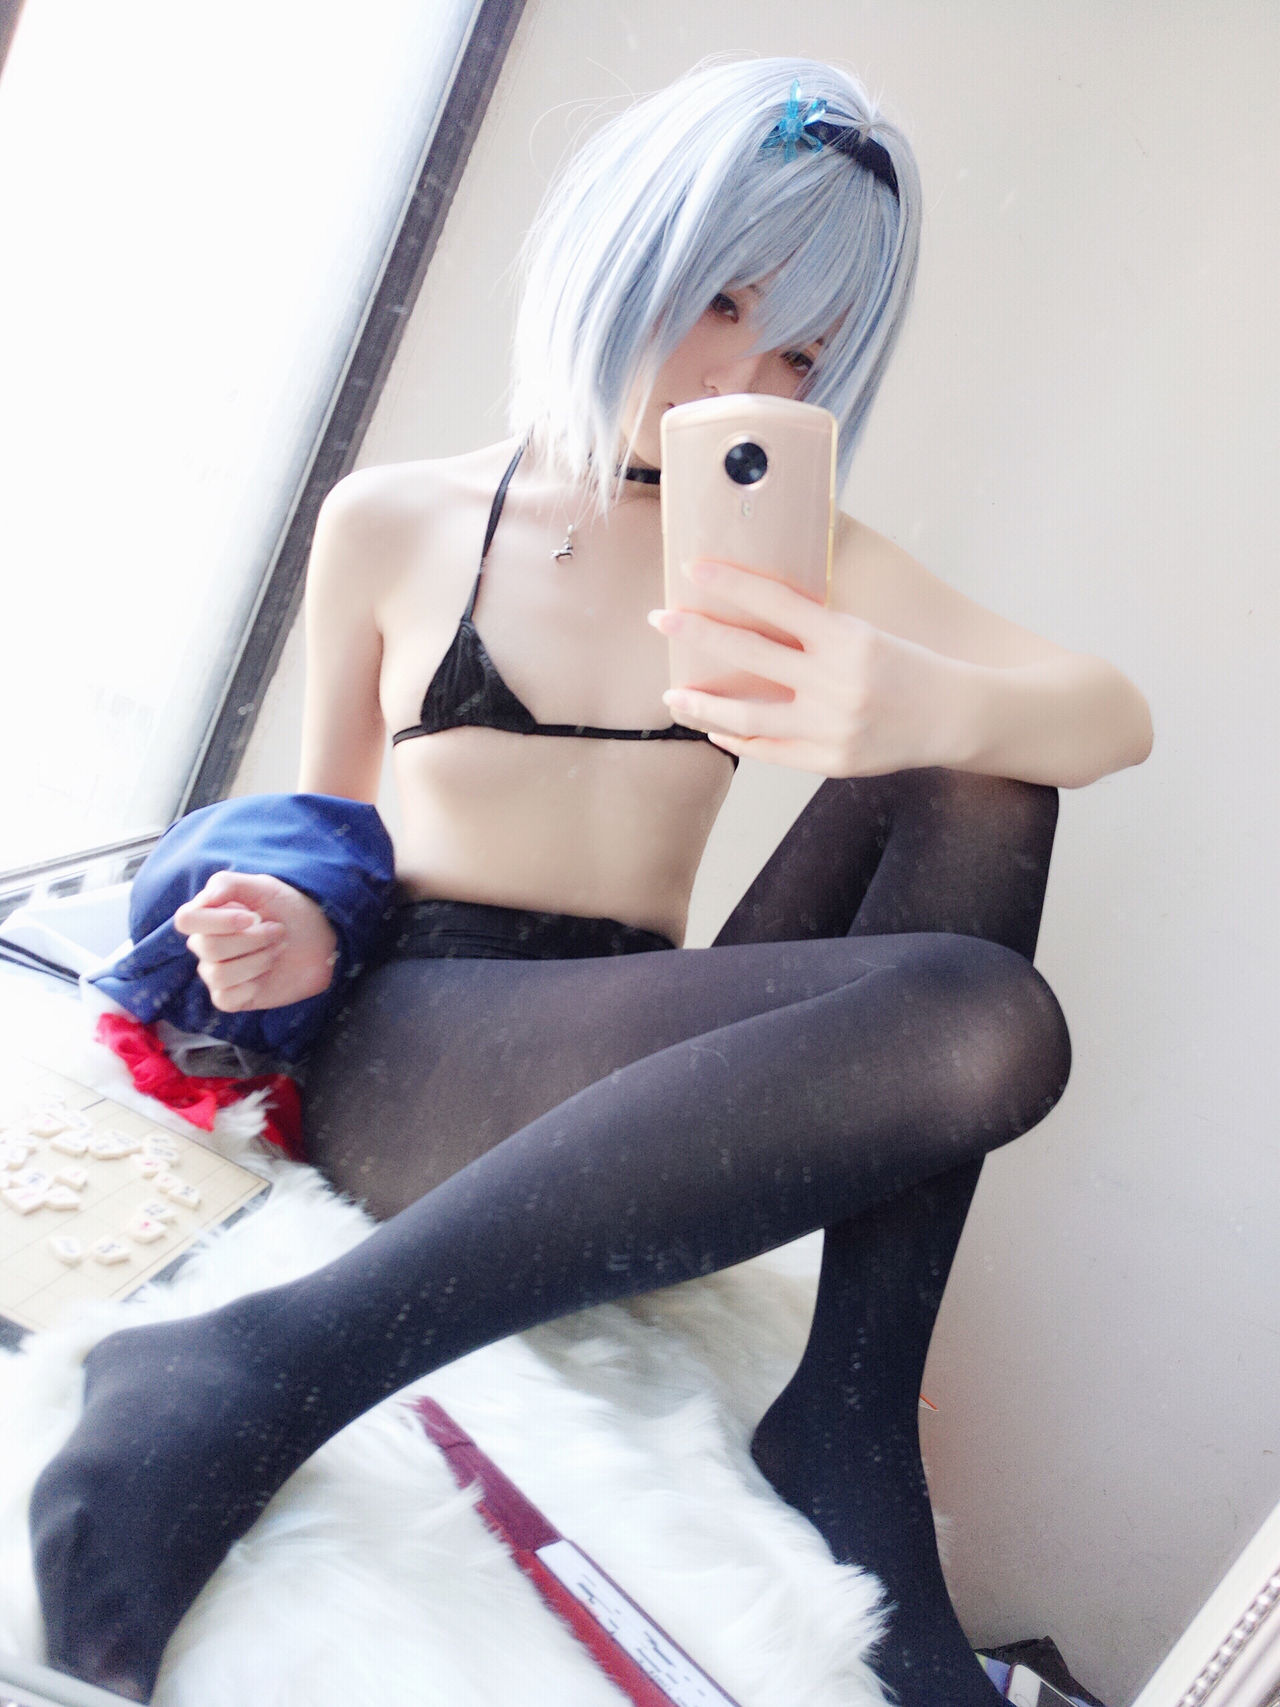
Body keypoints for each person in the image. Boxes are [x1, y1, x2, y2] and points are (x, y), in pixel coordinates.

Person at [29, 55, 1151, 1707]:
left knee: (990, 775)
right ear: (621, 256)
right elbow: (321, 824)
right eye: (720, 302)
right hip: (418, 1046)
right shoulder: (396, 519)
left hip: (627, 1052)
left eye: (802, 352)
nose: (741, 375)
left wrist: (912, 701)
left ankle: (848, 1412)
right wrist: (286, 926)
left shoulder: (789, 550)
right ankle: (258, 1368)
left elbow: (1109, 713)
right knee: (987, 1014)